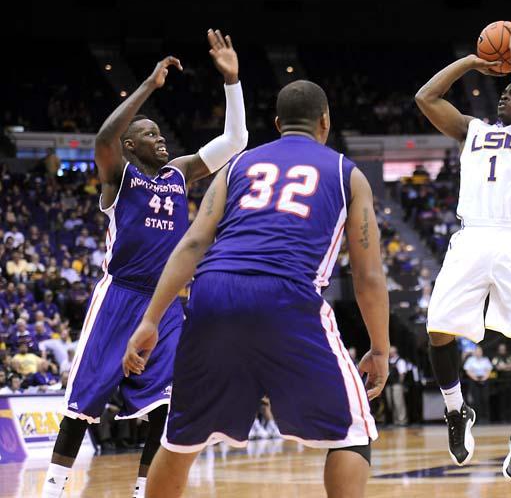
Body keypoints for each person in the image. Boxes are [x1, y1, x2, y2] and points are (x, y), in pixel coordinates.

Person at [123, 79, 389, 498]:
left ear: (279, 123)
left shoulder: (237, 165)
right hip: (287, 293)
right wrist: (379, 347)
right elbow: (368, 276)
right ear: (325, 121)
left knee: (180, 440)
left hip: (212, 292)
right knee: (352, 434)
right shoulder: (347, 174)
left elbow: (192, 242)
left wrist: (151, 319)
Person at [42, 29, 248, 498]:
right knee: (84, 401)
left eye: (159, 132)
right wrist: (148, 87)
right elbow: (105, 136)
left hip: (166, 302)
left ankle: (143, 490)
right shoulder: (119, 177)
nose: (160, 139)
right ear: (130, 147)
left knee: (167, 403)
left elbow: (236, 139)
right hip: (119, 295)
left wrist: (232, 81)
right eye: (149, 135)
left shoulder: (179, 172)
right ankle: (53, 489)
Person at [416, 22, 511, 482]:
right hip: (471, 235)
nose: (504, 95)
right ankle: (457, 412)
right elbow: (426, 98)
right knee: (437, 328)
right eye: (502, 90)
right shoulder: (473, 130)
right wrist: (474, 62)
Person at [463, 346, 493, 423]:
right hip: (474, 380)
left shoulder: (485, 360)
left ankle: (486, 418)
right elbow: (467, 370)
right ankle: (477, 418)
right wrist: (475, 378)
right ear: (474, 352)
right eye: (477, 351)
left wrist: (484, 378)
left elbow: (489, 370)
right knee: (476, 400)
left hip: (484, 380)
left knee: (485, 399)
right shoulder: (470, 360)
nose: (478, 353)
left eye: (480, 351)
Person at [491, 343, 511, 422]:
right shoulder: (496, 357)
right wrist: (509, 366)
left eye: (503, 348)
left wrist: (504, 367)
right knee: (502, 401)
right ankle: (503, 418)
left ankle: (510, 417)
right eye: (501, 348)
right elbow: (497, 367)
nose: (502, 349)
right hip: (501, 382)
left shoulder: (510, 355)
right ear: (499, 349)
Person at [386, 346, 408, 426]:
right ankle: (395, 421)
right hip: (389, 385)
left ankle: (402, 420)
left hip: (397, 385)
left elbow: (402, 374)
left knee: (399, 403)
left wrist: (400, 383)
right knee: (391, 404)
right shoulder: (388, 361)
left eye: (391, 352)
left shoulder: (400, 361)